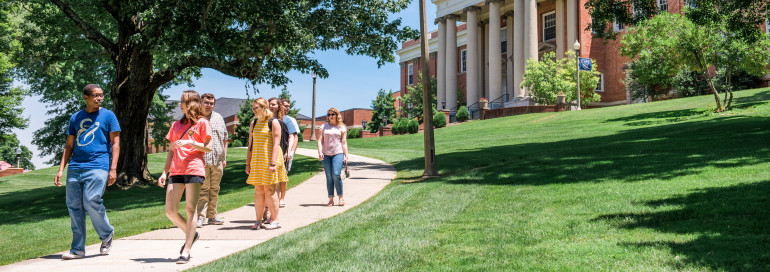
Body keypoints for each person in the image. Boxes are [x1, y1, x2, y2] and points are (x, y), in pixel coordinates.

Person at [54, 84, 120, 260]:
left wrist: (113, 168)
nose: (99, 98)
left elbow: (115, 143)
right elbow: (69, 145)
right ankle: (78, 249)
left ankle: (106, 234)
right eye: (95, 95)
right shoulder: (76, 118)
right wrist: (61, 169)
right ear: (85, 97)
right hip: (75, 166)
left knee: (91, 200)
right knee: (74, 207)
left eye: (101, 95)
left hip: (99, 165)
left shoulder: (108, 116)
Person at [157, 90, 212, 264]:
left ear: (192, 103)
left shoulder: (202, 123)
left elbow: (208, 147)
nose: (180, 104)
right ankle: (192, 234)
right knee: (170, 211)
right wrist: (164, 172)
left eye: (183, 101)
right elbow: (172, 150)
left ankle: (186, 250)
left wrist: (190, 142)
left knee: (190, 209)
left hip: (194, 169)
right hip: (176, 170)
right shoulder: (176, 125)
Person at [246, 98, 287, 230]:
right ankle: (258, 221)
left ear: (264, 108)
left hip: (270, 160)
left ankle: (275, 220)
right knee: (258, 190)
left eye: (256, 108)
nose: (253, 110)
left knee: (269, 190)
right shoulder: (254, 123)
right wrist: (248, 163)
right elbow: (250, 145)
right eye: (253, 108)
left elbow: (277, 143)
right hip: (257, 160)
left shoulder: (273, 122)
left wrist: (273, 163)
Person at [196, 93, 228, 227]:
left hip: (218, 161)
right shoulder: (196, 119)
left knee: (215, 189)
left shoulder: (219, 118)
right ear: (200, 102)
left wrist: (224, 157)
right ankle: (199, 217)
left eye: (211, 103)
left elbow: (225, 138)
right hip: (202, 160)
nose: (209, 105)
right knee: (203, 189)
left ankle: (212, 216)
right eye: (206, 103)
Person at [316, 107, 348, 207]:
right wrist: (320, 152)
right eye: (329, 114)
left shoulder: (341, 127)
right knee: (329, 177)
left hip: (338, 153)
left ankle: (341, 197)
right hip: (326, 154)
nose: (330, 116)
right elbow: (319, 140)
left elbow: (344, 142)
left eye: (332, 114)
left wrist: (346, 155)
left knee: (336, 174)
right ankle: (331, 199)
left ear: (336, 115)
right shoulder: (323, 126)